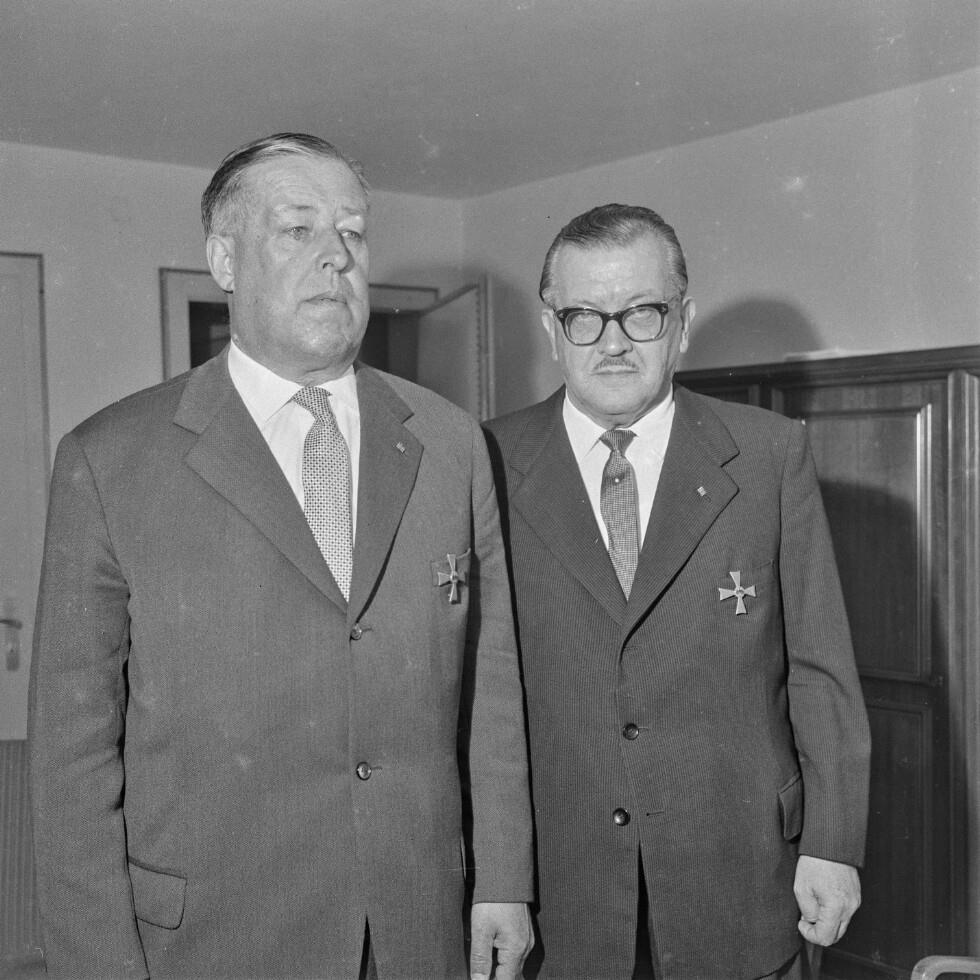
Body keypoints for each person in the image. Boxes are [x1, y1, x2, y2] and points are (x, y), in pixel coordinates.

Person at [29, 133, 533, 980]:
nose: (337, 256)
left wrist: (505, 880)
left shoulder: (449, 443)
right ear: (224, 260)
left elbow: (491, 681)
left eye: (353, 232)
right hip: (214, 942)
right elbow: (71, 757)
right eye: (298, 229)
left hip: (417, 929)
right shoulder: (110, 459)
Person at [483, 204, 870, 980]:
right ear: (552, 329)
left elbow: (820, 671)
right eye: (585, 317)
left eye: (643, 312)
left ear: (683, 323)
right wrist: (495, 880)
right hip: (563, 893)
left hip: (740, 878)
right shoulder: (486, 461)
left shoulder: (768, 455)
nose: (614, 342)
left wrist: (834, 842)